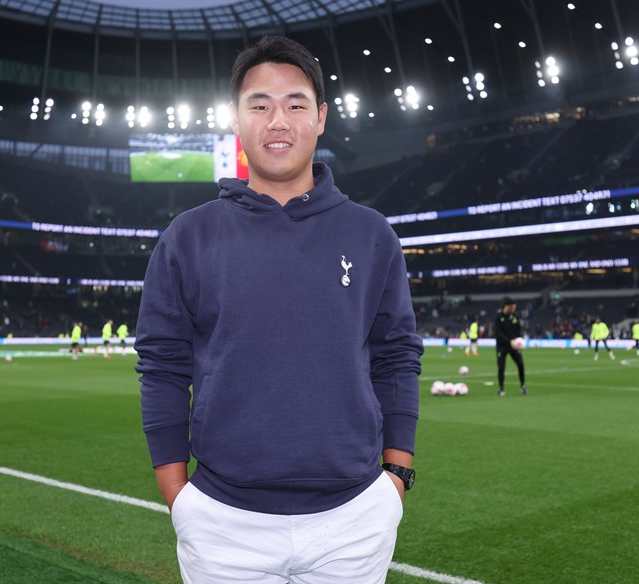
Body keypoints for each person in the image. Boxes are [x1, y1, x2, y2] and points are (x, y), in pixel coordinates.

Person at [134, 35, 423, 584]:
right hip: (222, 522)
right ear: (236, 119)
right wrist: (179, 496)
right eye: (259, 105)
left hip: (355, 517)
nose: (278, 120)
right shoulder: (187, 237)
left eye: (295, 104)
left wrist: (396, 476)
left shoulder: (371, 235)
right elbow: (162, 366)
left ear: (321, 118)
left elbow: (396, 357)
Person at [494, 297, 526, 396]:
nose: (514, 308)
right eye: (512, 306)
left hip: (514, 346)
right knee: (501, 367)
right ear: (507, 306)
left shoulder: (515, 317)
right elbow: (498, 333)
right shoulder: (498, 318)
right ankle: (501, 388)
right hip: (502, 346)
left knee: (520, 364)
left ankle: (523, 385)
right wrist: (509, 341)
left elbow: (518, 330)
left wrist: (519, 340)